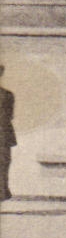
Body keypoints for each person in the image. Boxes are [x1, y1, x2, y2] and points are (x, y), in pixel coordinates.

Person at [1, 63, 15, 202]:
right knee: (3, 166)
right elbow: (10, 116)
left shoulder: (8, 94)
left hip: (4, 136)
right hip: (3, 136)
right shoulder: (8, 95)